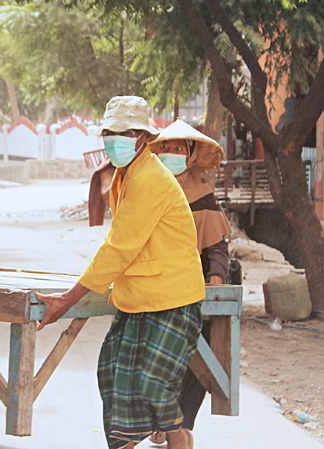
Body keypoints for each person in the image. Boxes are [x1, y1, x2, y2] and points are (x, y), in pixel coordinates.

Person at [36, 96, 203, 449]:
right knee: (114, 378)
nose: (116, 139)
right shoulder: (124, 176)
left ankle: (179, 438)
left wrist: (68, 299)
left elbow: (119, 248)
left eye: (125, 132)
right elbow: (118, 244)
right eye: (110, 132)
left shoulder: (149, 179)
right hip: (138, 298)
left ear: (143, 137)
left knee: (153, 386)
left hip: (171, 299)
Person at [146, 120, 233, 445]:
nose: (170, 153)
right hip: (156, 285)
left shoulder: (204, 197)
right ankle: (165, 422)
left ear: (192, 155)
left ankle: (181, 428)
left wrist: (213, 286)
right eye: (165, 147)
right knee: (156, 358)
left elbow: (217, 248)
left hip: (194, 287)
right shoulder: (149, 190)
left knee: (193, 360)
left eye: (178, 148)